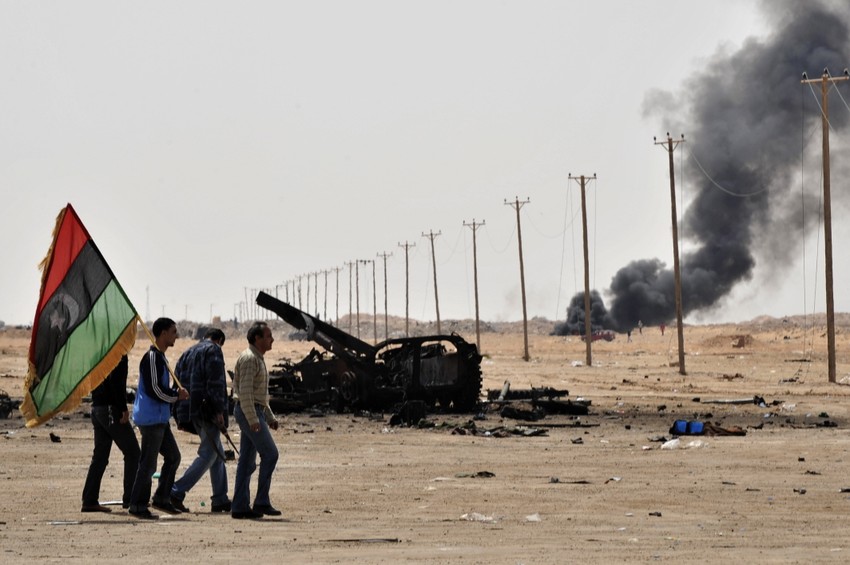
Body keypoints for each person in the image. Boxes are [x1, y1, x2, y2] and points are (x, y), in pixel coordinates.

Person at [128, 317, 188, 519]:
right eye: (173, 332)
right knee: (148, 464)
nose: (176, 336)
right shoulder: (152, 357)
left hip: (160, 418)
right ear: (163, 334)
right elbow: (154, 390)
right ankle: (137, 504)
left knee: (173, 457)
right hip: (151, 419)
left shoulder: (161, 357)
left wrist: (174, 393)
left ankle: (162, 498)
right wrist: (175, 396)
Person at [170, 328, 232, 513]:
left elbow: (177, 384)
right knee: (209, 454)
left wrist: (178, 413)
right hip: (207, 410)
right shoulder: (213, 350)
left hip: (191, 410)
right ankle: (175, 491)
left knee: (217, 453)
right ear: (219, 339)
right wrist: (219, 410)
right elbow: (216, 382)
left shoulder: (187, 352)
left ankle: (220, 499)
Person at [231, 322, 280, 519]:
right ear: (257, 338)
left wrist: (269, 417)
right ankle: (261, 502)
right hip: (248, 412)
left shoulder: (257, 358)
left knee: (246, 462)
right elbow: (246, 394)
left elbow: (259, 396)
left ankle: (240, 506)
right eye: (268, 336)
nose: (272, 339)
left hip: (253, 412)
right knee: (270, 454)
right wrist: (253, 419)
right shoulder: (250, 359)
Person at [81, 355, 140, 512]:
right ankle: (131, 499)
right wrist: (122, 408)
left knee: (100, 457)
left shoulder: (101, 351)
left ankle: (89, 500)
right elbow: (117, 383)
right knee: (133, 452)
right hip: (109, 409)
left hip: (97, 407)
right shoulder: (119, 354)